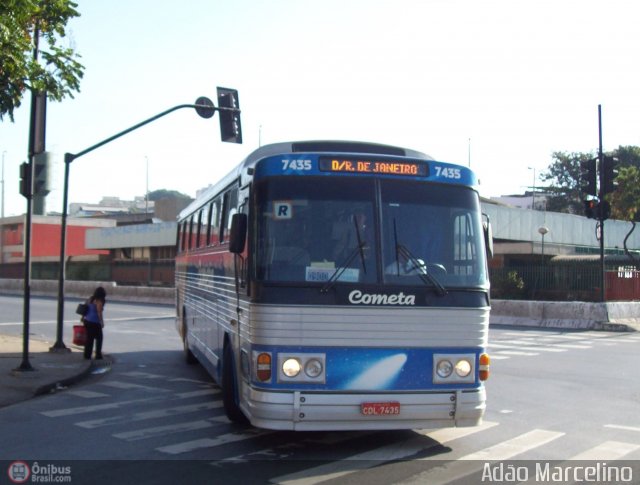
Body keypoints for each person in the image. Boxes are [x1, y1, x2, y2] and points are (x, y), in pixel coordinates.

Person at [83, 286, 106, 360]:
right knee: (99, 338)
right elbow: (99, 313)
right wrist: (101, 322)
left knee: (89, 339)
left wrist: (83, 317)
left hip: (87, 320)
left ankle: (87, 355)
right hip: (94, 322)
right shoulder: (99, 301)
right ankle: (98, 355)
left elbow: (85, 308)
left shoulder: (90, 299)